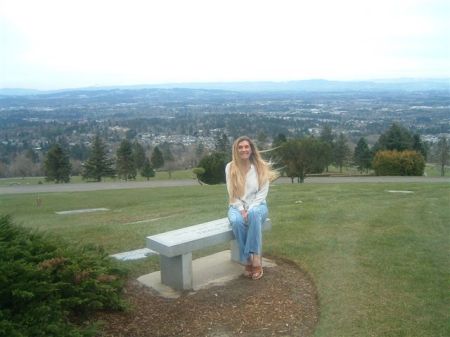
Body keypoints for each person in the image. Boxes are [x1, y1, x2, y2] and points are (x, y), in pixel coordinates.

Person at [225, 136, 278, 280]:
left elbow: (262, 193)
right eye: (240, 147)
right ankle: (248, 259)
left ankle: (256, 258)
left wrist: (250, 208)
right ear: (236, 150)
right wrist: (241, 210)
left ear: (251, 149)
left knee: (254, 214)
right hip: (236, 206)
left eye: (246, 147)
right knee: (236, 222)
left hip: (258, 206)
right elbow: (232, 193)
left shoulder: (260, 167)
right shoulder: (230, 167)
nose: (243, 150)